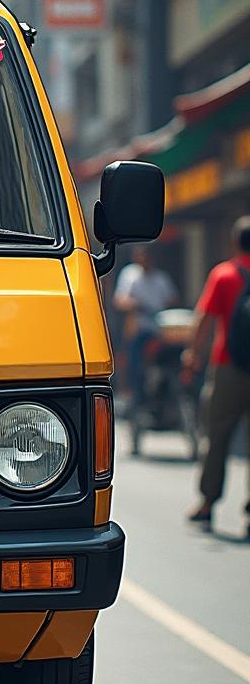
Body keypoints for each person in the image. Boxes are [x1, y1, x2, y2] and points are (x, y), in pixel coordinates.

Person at [182, 216, 250, 533]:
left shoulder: (224, 275)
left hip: (227, 366)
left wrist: (193, 355)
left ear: (235, 242)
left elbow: (205, 319)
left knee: (217, 436)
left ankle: (208, 504)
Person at [113, 246, 178, 415]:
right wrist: (135, 304)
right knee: (134, 363)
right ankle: (136, 398)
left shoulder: (161, 278)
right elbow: (119, 299)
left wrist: (164, 307)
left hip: (159, 330)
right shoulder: (130, 275)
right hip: (140, 328)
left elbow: (172, 298)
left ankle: (170, 398)